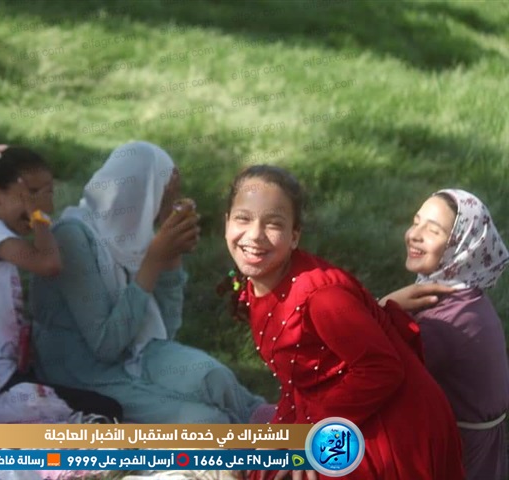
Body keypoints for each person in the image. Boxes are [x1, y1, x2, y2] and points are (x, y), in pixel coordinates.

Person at [219, 165, 464, 480]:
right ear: (226, 222)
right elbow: (299, 378)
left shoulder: (322, 298)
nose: (254, 235)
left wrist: (314, 435)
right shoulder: (260, 278)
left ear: (294, 236)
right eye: (243, 218)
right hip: (335, 407)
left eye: (274, 223)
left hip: (387, 424)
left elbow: (382, 368)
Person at [32, 141, 272, 424]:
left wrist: (170, 253)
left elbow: (166, 330)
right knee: (207, 422)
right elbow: (106, 345)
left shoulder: (132, 238)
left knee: (214, 378)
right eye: (159, 196)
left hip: (141, 352)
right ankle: (256, 441)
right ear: (141, 195)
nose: (157, 210)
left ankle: (272, 423)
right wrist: (154, 260)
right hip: (83, 375)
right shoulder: (72, 238)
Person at [0, 144, 122, 421]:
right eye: (32, 194)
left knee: (95, 405)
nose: (44, 206)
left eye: (48, 194)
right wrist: (40, 219)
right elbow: (49, 264)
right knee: (106, 411)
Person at [380, 189, 509, 480]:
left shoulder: (444, 323)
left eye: (433, 230)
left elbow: (366, 371)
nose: (414, 234)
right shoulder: (466, 298)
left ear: (462, 245)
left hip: (454, 461)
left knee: (298, 443)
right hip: (473, 450)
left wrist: (382, 306)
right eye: (416, 222)